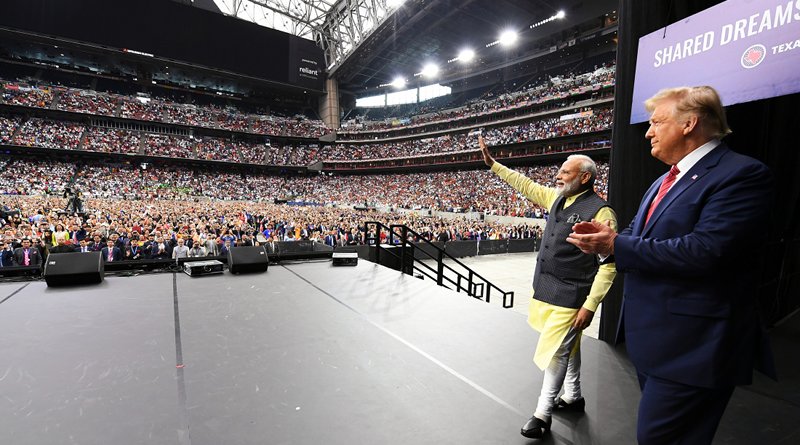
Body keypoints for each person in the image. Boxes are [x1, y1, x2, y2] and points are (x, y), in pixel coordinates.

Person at [566, 86, 774, 444]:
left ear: (689, 123)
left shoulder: (741, 174)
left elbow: (706, 251)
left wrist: (617, 243)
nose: (648, 131)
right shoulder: (664, 179)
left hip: (695, 349)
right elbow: (635, 234)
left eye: (657, 122)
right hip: (657, 344)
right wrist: (608, 239)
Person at [478, 135, 617, 439]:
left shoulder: (602, 213)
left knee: (556, 351)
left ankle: (542, 414)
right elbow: (525, 185)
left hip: (573, 294)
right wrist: (494, 166)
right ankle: (574, 397)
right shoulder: (556, 198)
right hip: (547, 289)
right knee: (570, 345)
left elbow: (609, 265)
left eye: (565, 172)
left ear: (585, 177)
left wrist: (590, 304)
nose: (558, 176)